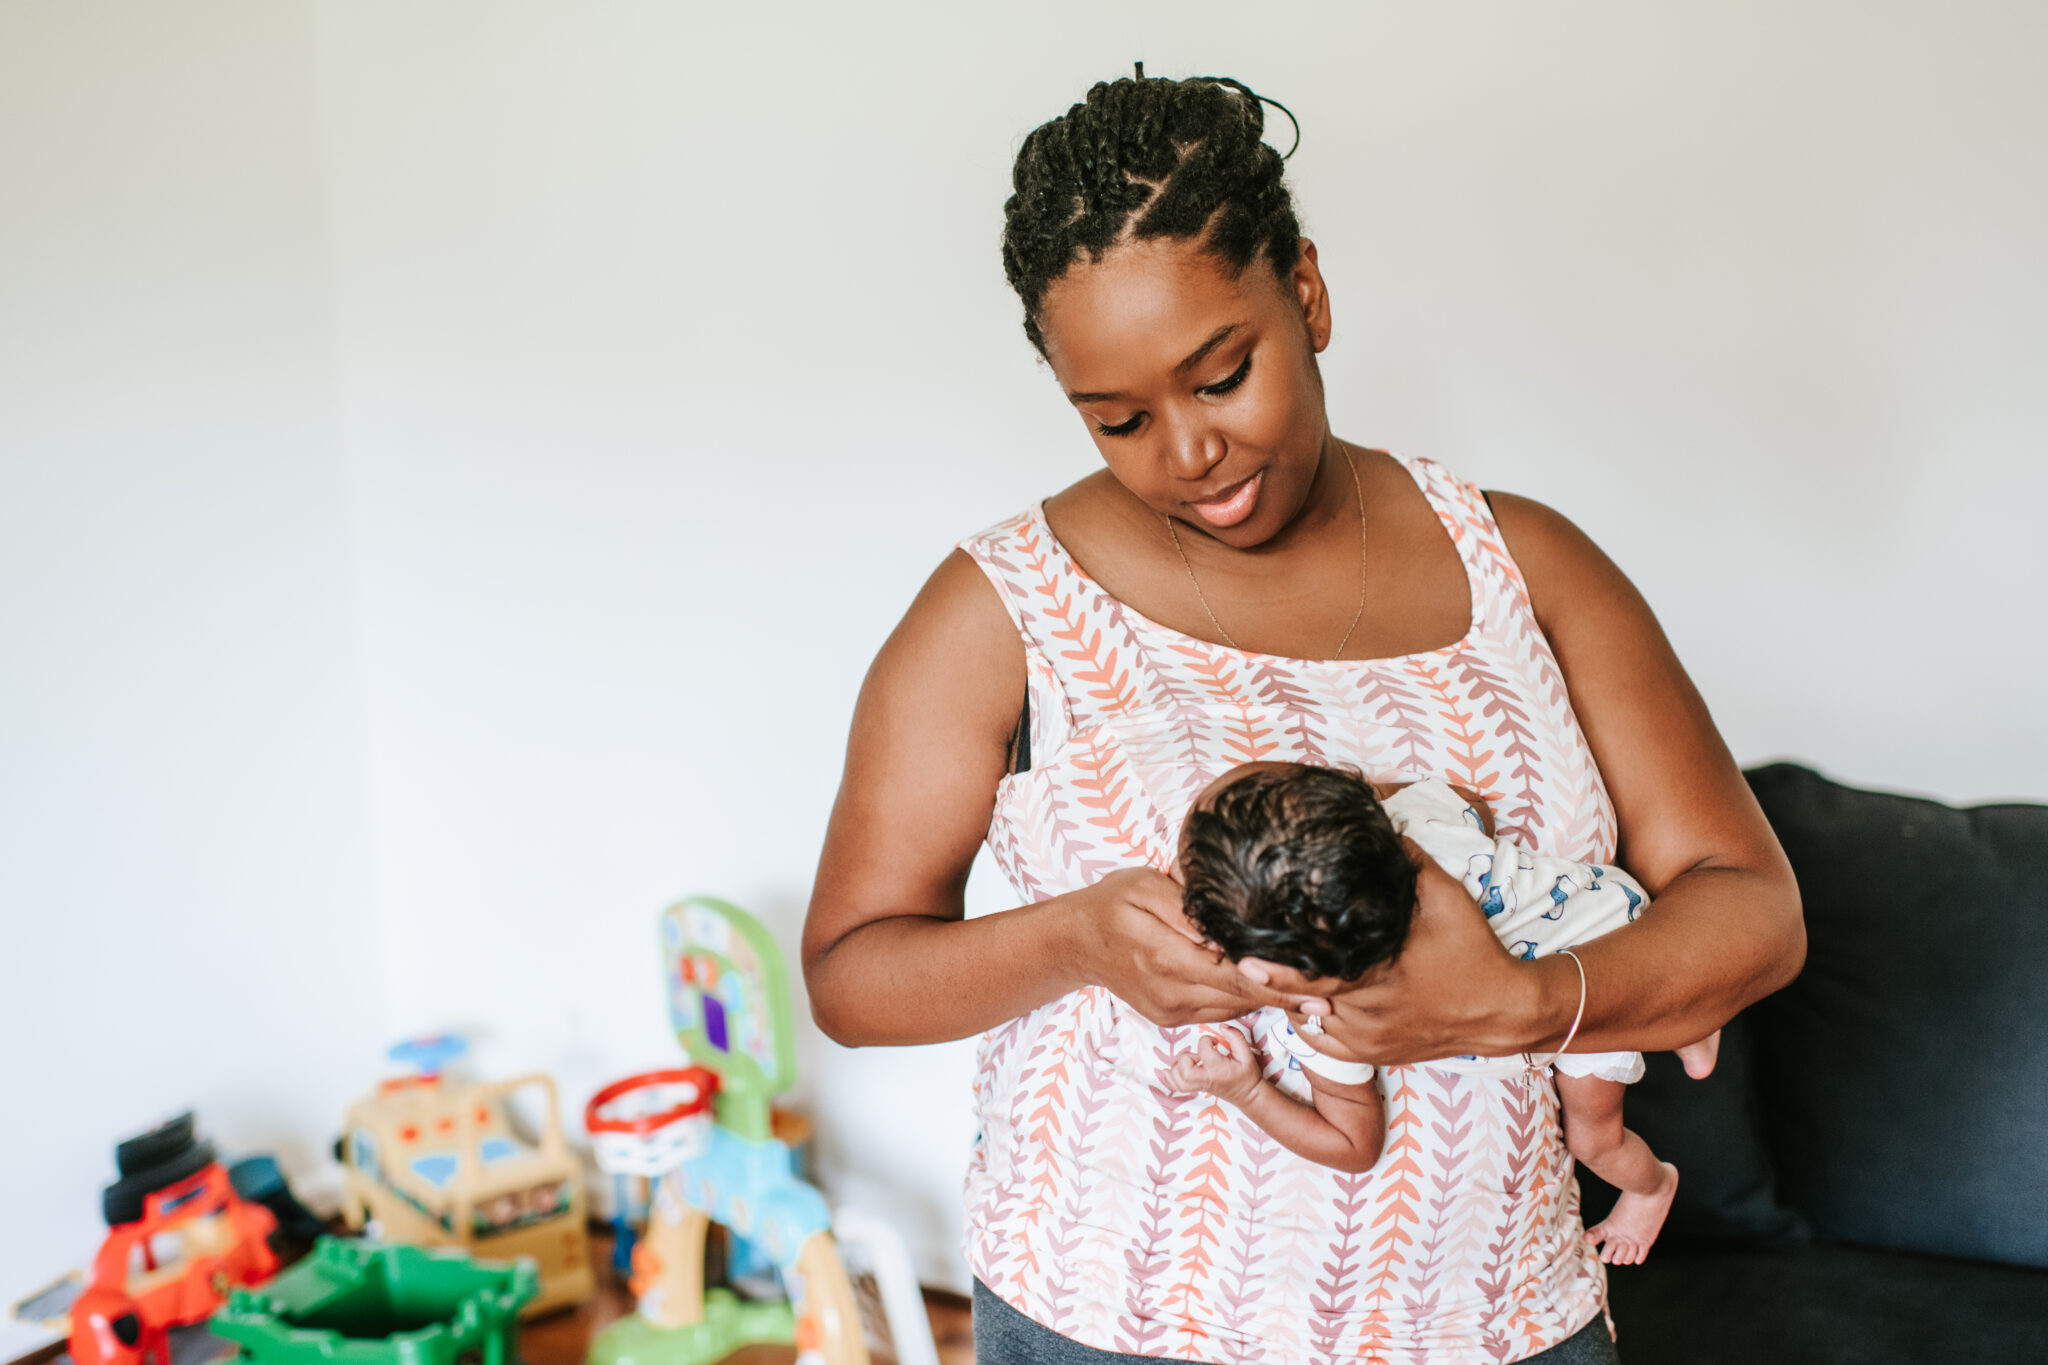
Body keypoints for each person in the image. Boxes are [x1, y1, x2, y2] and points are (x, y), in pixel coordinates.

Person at [802, 71, 1802, 1364]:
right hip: (1120, 1322)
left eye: (1221, 376)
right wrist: (1080, 940)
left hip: (1501, 1322)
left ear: (1310, 295)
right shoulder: (1003, 611)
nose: (1185, 452)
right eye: (1117, 419)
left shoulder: (1528, 567)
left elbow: (1754, 912)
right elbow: (851, 972)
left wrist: (1515, 1004)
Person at [1164, 761, 1719, 1266]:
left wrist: (1247, 1091)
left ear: (1258, 971)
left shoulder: (1332, 1024)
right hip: (1616, 914)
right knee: (1664, 1026)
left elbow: (1354, 1146)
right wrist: (1373, 808)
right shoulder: (1412, 829)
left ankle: (1652, 1186)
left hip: (1589, 1001)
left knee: (1595, 1141)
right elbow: (1470, 801)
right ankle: (1682, 1009)